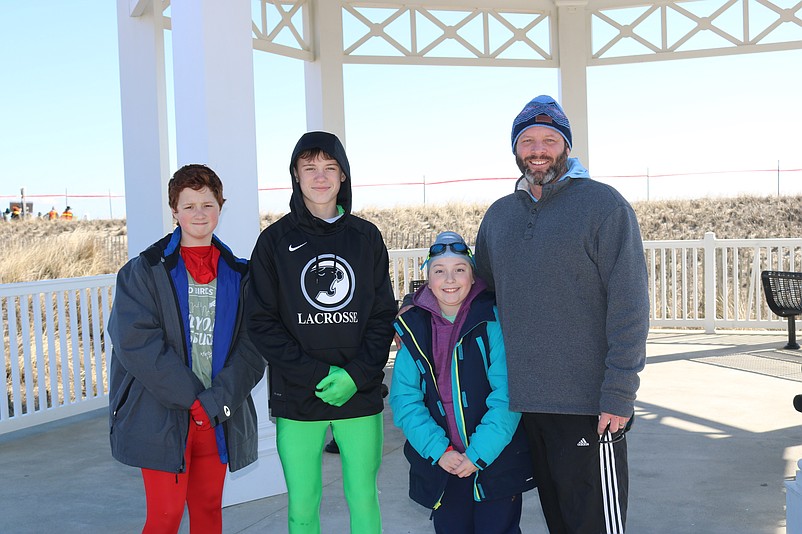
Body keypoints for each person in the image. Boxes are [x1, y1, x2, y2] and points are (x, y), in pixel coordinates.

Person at [472, 95, 650, 533]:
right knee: (558, 521)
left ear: (566, 146)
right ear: (515, 150)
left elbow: (630, 306)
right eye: (528, 140)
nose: (538, 149)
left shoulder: (604, 207)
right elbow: (481, 298)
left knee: (595, 525)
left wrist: (619, 393)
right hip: (526, 403)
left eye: (549, 139)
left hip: (589, 404)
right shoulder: (498, 216)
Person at [246, 131, 397, 534]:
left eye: (330, 167)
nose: (320, 176)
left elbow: (383, 315)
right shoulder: (274, 241)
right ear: (295, 175)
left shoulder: (367, 238)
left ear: (343, 176)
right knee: (302, 504)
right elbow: (260, 321)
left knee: (364, 497)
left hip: (359, 392)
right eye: (309, 167)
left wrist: (355, 375)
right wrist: (315, 375)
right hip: (298, 395)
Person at [107, 164, 265, 534]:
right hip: (163, 414)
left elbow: (254, 345)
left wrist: (214, 402)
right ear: (174, 211)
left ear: (220, 209)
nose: (199, 213)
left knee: (209, 511)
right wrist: (191, 398)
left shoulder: (240, 274)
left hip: (216, 414)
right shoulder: (143, 271)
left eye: (207, 204)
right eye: (189, 205)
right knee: (165, 517)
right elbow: (136, 343)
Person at [390, 231, 535, 534]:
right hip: (443, 464)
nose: (450, 279)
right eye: (439, 271)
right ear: (427, 279)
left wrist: (477, 454)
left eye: (459, 269)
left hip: (494, 461)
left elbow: (507, 397)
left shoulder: (493, 321)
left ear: (473, 276)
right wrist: (440, 452)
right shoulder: (413, 328)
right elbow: (406, 400)